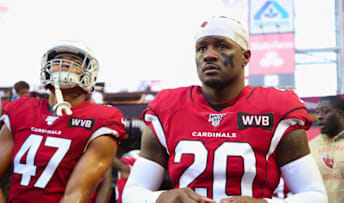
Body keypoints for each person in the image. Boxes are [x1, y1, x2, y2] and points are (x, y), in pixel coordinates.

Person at [122, 16, 327, 203]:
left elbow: (315, 196)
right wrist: (162, 198)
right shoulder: (167, 106)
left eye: (221, 47)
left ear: (245, 57)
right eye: (201, 48)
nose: (209, 55)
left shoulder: (277, 107)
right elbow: (132, 193)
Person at [0, 40, 127, 203]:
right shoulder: (21, 109)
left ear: (89, 74)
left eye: (74, 62)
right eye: (57, 60)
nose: (63, 65)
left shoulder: (102, 118)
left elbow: (76, 194)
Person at [310, 95, 344, 203]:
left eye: (325, 112)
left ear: (340, 114)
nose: (319, 116)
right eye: (318, 112)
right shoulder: (310, 146)